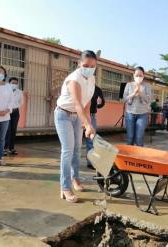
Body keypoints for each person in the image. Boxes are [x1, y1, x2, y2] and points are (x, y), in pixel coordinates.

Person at [55, 50, 96, 203]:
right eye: (85, 65)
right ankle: (65, 187)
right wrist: (87, 124)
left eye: (92, 66)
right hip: (63, 114)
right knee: (67, 150)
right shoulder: (74, 79)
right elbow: (78, 104)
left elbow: (87, 102)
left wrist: (88, 124)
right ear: (79, 64)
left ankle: (75, 179)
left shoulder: (91, 78)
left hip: (76, 116)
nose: (89, 68)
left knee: (77, 149)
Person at [123, 66, 152, 146]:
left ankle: (138, 157)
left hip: (143, 114)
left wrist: (140, 93)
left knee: (139, 137)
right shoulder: (129, 85)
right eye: (137, 75)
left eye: (140, 75)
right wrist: (133, 93)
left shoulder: (147, 85)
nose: (138, 77)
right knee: (130, 137)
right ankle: (128, 157)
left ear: (143, 76)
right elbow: (124, 99)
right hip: (130, 113)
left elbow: (149, 99)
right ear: (133, 75)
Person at [86, 85, 105, 170]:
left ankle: (91, 162)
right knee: (75, 141)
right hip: (79, 114)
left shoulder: (97, 89)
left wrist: (100, 103)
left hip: (92, 115)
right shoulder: (82, 85)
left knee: (91, 139)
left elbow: (101, 103)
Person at [4, 77, 23, 156]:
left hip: (15, 112)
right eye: (13, 83)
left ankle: (11, 148)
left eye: (16, 83)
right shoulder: (5, 91)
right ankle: (4, 148)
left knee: (13, 130)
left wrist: (13, 106)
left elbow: (21, 103)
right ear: (9, 83)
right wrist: (9, 107)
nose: (14, 84)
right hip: (7, 112)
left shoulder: (19, 92)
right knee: (7, 130)